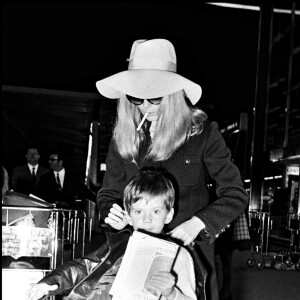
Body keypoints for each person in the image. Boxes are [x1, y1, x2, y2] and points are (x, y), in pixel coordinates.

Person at [95, 38, 249, 300]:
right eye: (135, 97)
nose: (144, 106)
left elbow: (235, 193)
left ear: (173, 94)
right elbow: (108, 193)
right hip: (137, 256)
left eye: (154, 98)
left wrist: (197, 225)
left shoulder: (203, 135)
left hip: (190, 260)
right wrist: (113, 214)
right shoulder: (123, 137)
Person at [26, 170, 198, 300]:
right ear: (128, 216)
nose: (147, 220)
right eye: (138, 212)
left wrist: (171, 293)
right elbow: (83, 267)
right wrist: (48, 282)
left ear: (168, 214)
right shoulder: (118, 245)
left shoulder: (178, 256)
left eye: (156, 211)